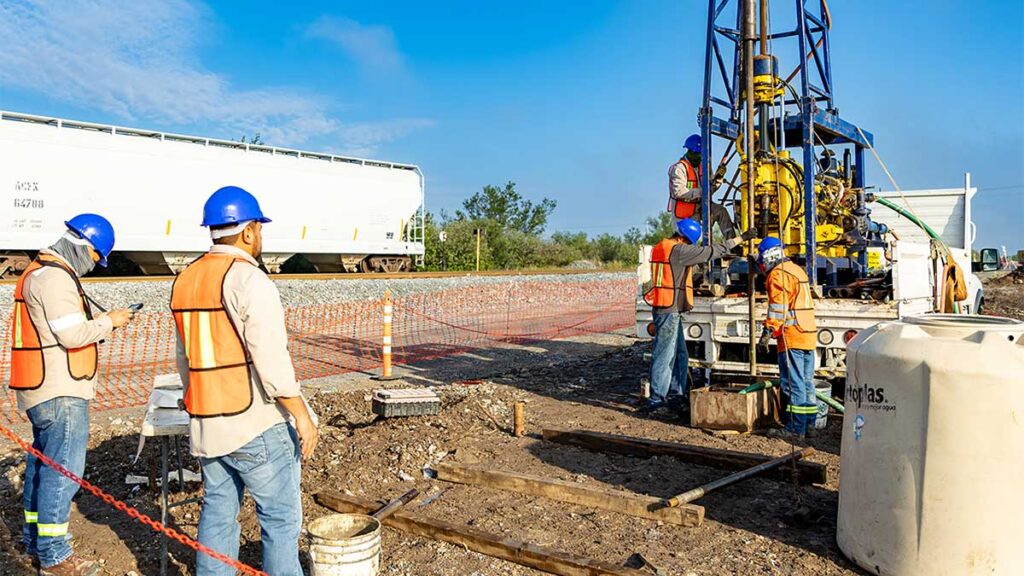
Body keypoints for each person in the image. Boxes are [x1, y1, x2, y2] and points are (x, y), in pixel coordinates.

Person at [171, 185, 319, 576]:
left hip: (208, 425)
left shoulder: (186, 280)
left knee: (218, 512)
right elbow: (271, 361)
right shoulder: (250, 280)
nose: (261, 237)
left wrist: (194, 400)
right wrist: (301, 415)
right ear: (249, 231)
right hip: (254, 423)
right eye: (260, 229)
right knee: (280, 519)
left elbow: (185, 358)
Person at [12, 214, 135, 576]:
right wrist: (110, 322)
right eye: (97, 257)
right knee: (62, 472)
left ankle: (35, 541)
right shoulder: (55, 279)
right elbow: (72, 335)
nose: (94, 265)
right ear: (85, 246)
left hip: (44, 386)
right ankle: (55, 555)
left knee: (42, 467)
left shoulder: (39, 272)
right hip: (60, 390)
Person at [643, 218, 757, 412]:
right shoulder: (679, 251)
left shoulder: (662, 246)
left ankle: (677, 395)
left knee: (680, 354)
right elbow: (710, 252)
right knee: (664, 355)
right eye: (690, 243)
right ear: (685, 239)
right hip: (669, 310)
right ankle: (656, 400)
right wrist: (741, 239)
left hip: (668, 307)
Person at [755, 237, 818, 438]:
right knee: (807, 382)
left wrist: (767, 332)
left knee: (793, 383)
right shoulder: (796, 270)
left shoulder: (777, 274)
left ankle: (795, 429)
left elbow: (778, 309)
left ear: (768, 256)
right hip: (808, 333)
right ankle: (809, 425)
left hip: (792, 336)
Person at [668, 134, 737, 238]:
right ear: (689, 152)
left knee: (720, 211)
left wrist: (718, 179)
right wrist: (703, 191)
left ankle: (733, 243)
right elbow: (679, 192)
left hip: (701, 207)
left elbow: (710, 189)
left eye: (701, 153)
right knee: (686, 241)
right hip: (685, 214)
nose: (699, 156)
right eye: (697, 153)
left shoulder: (704, 166)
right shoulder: (679, 169)